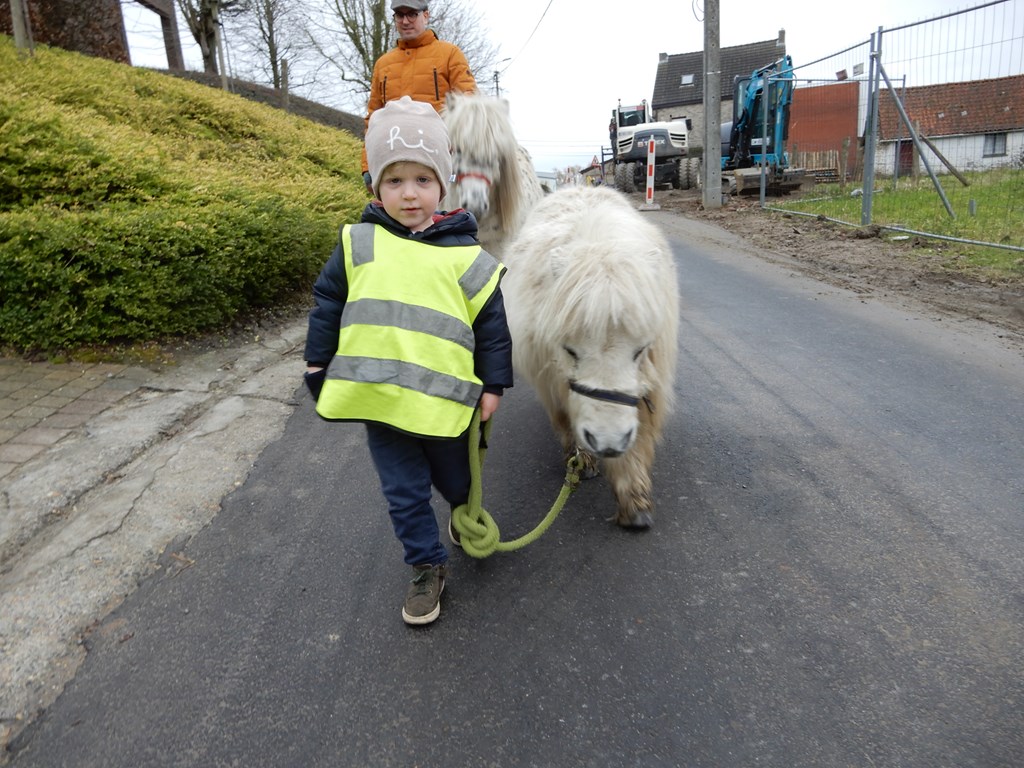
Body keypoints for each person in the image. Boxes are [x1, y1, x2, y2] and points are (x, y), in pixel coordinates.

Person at [304, 96, 513, 626]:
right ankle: (426, 565)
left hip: (446, 406)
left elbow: (491, 326)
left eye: (422, 179)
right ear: (375, 186)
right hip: (383, 402)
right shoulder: (359, 243)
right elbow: (328, 302)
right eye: (394, 181)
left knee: (457, 483)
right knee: (403, 493)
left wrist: (493, 385)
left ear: (444, 185)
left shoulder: (466, 256)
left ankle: (464, 513)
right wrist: (317, 362)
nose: (409, 193)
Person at [360, 0, 477, 194]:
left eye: (412, 14)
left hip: (439, 163)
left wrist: (458, 153)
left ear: (426, 15)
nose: (405, 21)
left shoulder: (450, 54)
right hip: (393, 163)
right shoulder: (383, 64)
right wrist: (367, 165)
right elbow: (373, 120)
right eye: (400, 15)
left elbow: (469, 105)